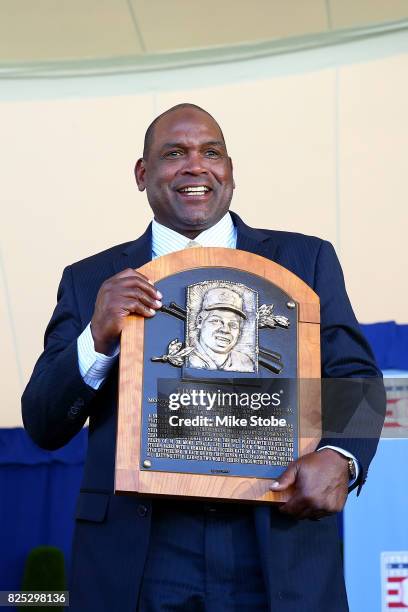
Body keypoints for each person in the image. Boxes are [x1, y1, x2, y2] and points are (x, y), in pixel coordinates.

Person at [22, 103, 384, 611]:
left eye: (211, 152)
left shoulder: (306, 260)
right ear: (143, 174)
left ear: (230, 171)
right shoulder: (90, 280)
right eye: (175, 153)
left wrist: (341, 457)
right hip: (143, 552)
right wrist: (96, 338)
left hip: (276, 544)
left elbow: (357, 379)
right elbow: (42, 422)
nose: (196, 166)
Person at [189, 286, 255, 372]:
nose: (225, 330)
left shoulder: (245, 363)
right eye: (216, 321)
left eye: (233, 324)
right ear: (200, 321)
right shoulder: (186, 358)